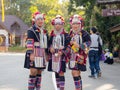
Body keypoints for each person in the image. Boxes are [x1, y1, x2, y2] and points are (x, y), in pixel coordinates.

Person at [24, 11, 48, 90]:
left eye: (42, 19)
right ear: (35, 20)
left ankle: (38, 88)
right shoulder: (31, 30)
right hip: (34, 51)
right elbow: (30, 42)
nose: (40, 21)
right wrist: (31, 53)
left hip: (42, 52)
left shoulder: (44, 31)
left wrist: (47, 54)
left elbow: (46, 43)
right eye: (38, 19)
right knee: (33, 71)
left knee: (39, 71)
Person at [68, 14, 91, 90]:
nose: (75, 26)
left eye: (77, 24)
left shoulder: (85, 33)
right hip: (72, 56)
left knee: (75, 72)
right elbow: (68, 43)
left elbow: (88, 44)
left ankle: (78, 88)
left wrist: (79, 45)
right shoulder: (71, 33)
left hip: (81, 56)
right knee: (76, 73)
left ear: (80, 24)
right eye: (73, 24)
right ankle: (79, 88)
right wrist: (70, 44)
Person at [47, 15, 70, 90]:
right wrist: (50, 48)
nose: (57, 25)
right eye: (56, 24)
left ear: (62, 24)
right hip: (53, 56)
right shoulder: (52, 35)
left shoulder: (66, 35)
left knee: (61, 72)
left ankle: (62, 88)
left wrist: (63, 52)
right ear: (54, 25)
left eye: (59, 24)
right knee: (56, 72)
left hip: (62, 56)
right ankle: (58, 88)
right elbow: (48, 44)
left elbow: (69, 46)